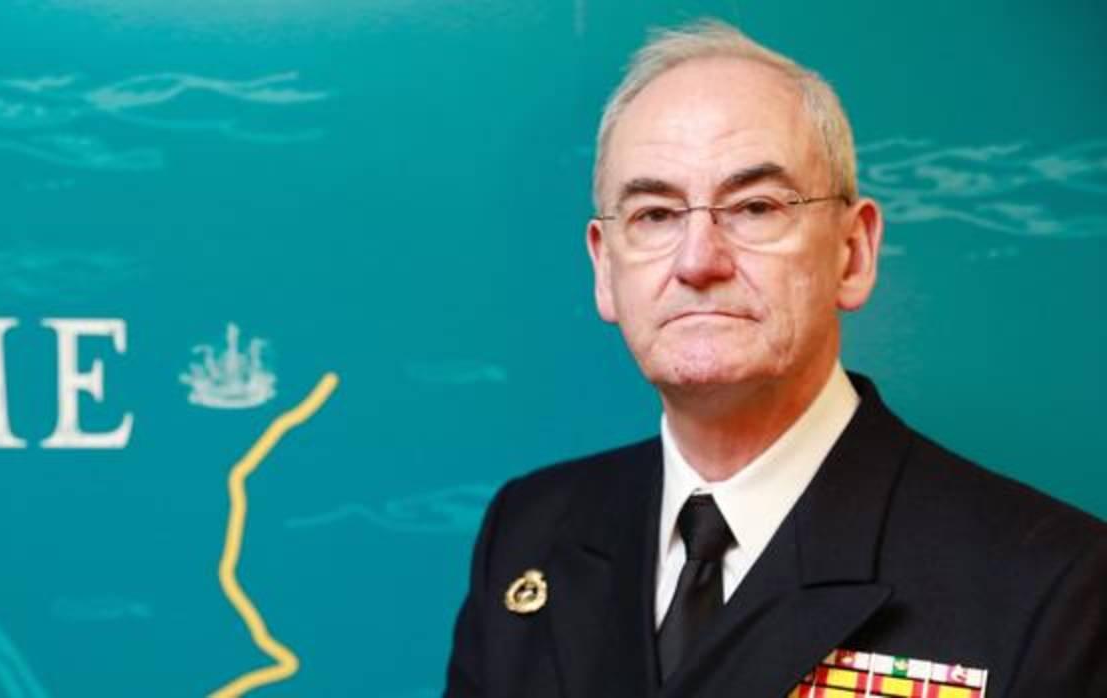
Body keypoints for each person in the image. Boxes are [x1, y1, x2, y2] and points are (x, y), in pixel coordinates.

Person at [444, 18, 1106, 698]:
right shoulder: (529, 532)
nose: (698, 260)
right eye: (655, 214)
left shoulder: (1054, 588)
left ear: (853, 253)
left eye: (755, 207)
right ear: (605, 269)